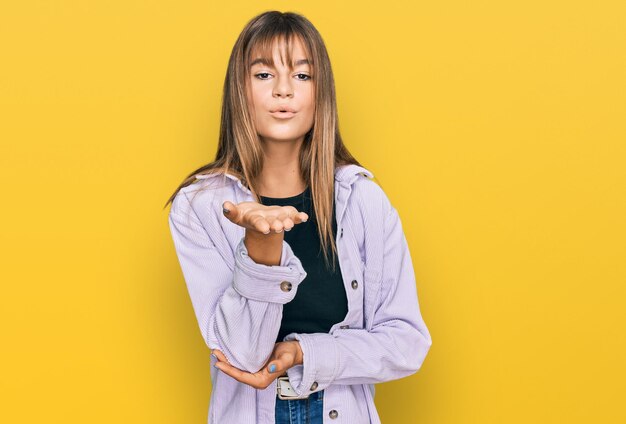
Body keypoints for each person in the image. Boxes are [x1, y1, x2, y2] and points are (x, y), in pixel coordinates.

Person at [164, 10, 432, 424]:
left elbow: (407, 342)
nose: (284, 91)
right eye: (264, 75)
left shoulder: (363, 200)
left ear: (319, 93)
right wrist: (261, 248)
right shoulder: (201, 205)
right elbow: (241, 353)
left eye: (302, 76)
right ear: (240, 90)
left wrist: (307, 353)